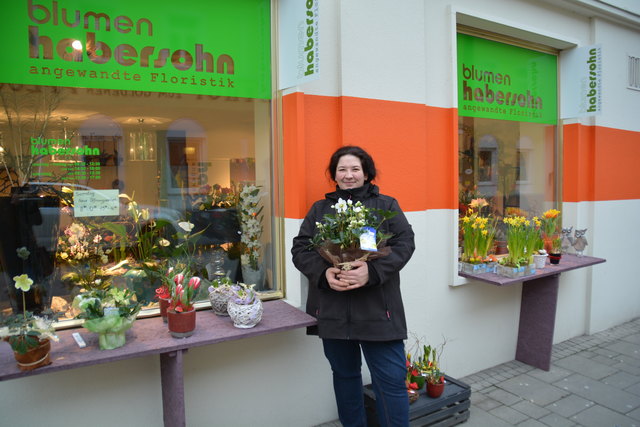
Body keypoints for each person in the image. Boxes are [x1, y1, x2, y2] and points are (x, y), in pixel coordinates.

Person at [292, 146, 415, 426]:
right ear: (334, 174)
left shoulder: (385, 206)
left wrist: (370, 272)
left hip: (377, 311)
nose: (348, 175)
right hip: (334, 310)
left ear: (366, 172)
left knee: (391, 382)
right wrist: (325, 275)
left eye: (355, 169)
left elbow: (405, 243)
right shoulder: (321, 209)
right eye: (342, 169)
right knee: (345, 378)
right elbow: (301, 249)